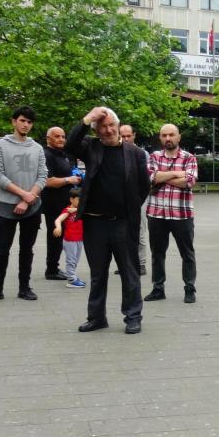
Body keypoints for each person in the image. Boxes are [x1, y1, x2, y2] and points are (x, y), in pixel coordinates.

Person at [65, 106, 150, 334]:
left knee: (129, 273)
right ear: (97, 130)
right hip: (95, 223)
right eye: (102, 126)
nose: (109, 130)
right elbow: (69, 144)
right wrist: (87, 118)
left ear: (118, 126)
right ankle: (96, 317)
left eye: (112, 125)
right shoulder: (91, 147)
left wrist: (128, 208)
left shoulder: (136, 153)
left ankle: (133, 317)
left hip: (123, 222)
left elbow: (144, 187)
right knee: (98, 273)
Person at [0, 106, 48, 303]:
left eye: (29, 122)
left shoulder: (37, 148)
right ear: (14, 121)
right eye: (22, 120)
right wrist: (23, 195)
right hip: (6, 206)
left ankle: (24, 287)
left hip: (32, 207)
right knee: (2, 249)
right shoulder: (1, 145)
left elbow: (43, 175)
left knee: (27, 249)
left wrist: (28, 198)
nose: (26, 125)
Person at [145, 123, 198, 304]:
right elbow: (151, 178)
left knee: (187, 253)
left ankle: (189, 288)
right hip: (156, 214)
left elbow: (189, 182)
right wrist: (177, 173)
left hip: (181, 214)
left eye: (171, 135)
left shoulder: (189, 158)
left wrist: (163, 176)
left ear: (179, 137)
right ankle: (158, 288)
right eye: (164, 135)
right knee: (157, 253)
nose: (168, 138)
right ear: (160, 138)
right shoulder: (153, 156)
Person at [41, 126, 82, 280]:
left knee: (64, 237)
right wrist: (68, 180)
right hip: (53, 204)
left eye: (63, 136)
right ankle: (51, 270)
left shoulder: (64, 154)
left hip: (66, 203)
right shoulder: (46, 155)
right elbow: (47, 181)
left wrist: (77, 177)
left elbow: (71, 172)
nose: (61, 139)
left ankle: (58, 267)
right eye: (57, 136)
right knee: (55, 237)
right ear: (48, 139)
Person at [116, 124, 148, 276]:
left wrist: (138, 201)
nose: (126, 138)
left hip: (137, 200)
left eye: (129, 135)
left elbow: (147, 181)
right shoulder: (115, 152)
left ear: (134, 135)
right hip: (120, 200)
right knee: (121, 232)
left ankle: (140, 263)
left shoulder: (141, 153)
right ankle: (124, 263)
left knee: (139, 230)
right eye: (123, 136)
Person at [53, 187, 85, 289]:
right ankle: (71, 279)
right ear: (71, 199)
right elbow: (58, 219)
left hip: (79, 239)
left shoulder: (80, 210)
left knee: (75, 260)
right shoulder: (67, 210)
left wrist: (76, 209)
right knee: (71, 260)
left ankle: (72, 275)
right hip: (70, 240)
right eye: (79, 200)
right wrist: (58, 227)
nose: (81, 202)